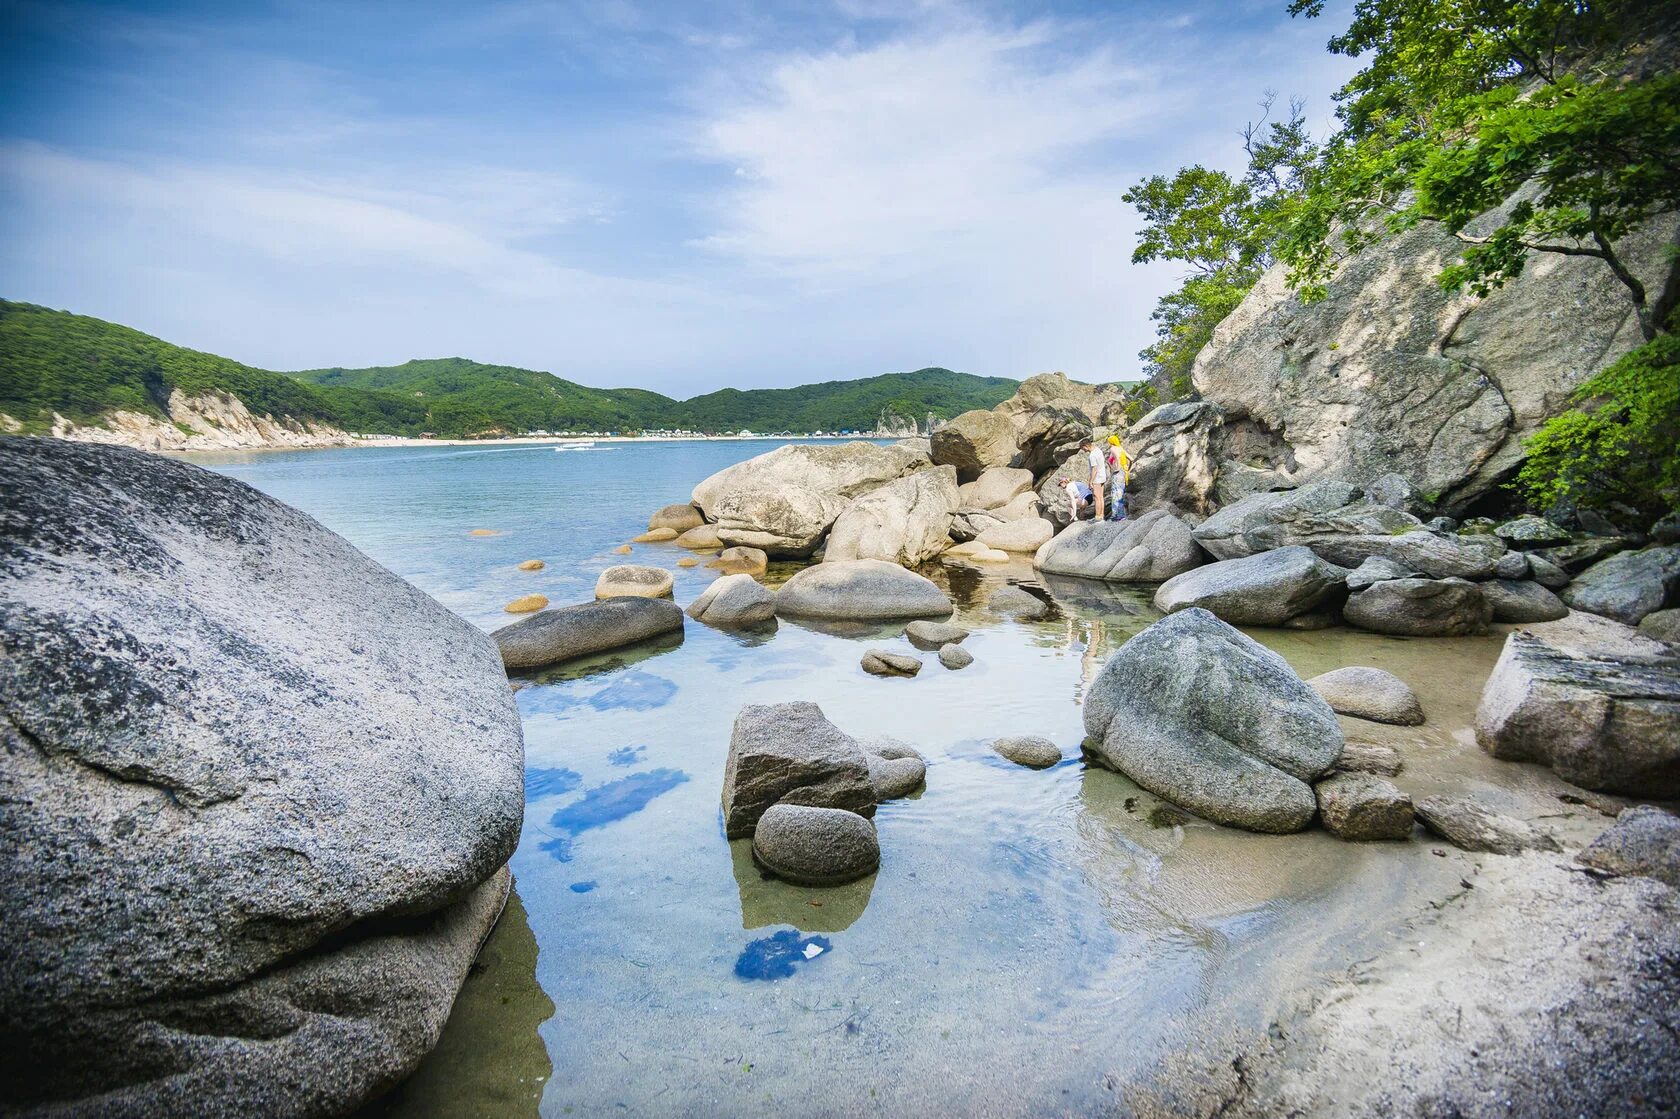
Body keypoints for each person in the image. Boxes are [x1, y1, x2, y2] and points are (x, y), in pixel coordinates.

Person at [1083, 436, 1109, 521]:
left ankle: (1098, 516)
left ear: (1086, 446)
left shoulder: (1092, 455)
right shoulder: (1098, 450)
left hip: (1097, 478)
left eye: (1082, 448)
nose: (1083, 450)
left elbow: (1094, 469)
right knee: (1101, 497)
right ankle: (1101, 515)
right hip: (1102, 476)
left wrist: (1091, 481)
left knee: (1097, 497)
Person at [1105, 434, 1130, 521]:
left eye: (1109, 442)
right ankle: (1121, 514)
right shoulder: (1121, 448)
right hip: (1124, 472)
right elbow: (1131, 458)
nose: (1108, 443)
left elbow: (1117, 458)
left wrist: (1117, 469)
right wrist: (1127, 468)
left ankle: (1117, 515)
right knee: (1120, 493)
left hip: (1118, 473)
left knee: (1116, 493)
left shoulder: (1113, 449)